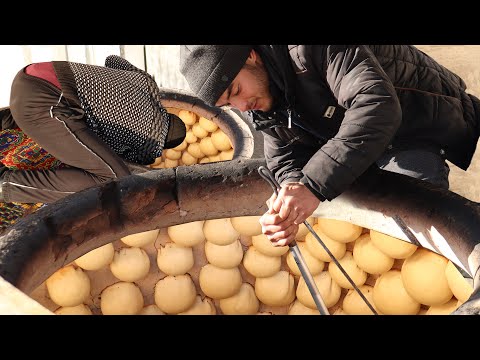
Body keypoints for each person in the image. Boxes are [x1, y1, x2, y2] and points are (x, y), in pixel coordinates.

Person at [179, 45, 480, 247]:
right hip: (354, 131)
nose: (243, 106)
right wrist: (291, 193)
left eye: (236, 90)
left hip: (412, 119)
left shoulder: (314, 49)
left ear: (252, 56)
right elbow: (284, 156)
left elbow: (376, 107)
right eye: (229, 104)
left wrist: (311, 187)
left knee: (421, 219)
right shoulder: (262, 95)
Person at [0, 55, 186, 204]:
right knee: (116, 180)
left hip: (32, 76)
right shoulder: (147, 145)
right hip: (43, 104)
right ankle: (6, 184)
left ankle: (5, 123)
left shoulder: (147, 84)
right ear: (161, 146)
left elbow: (113, 59)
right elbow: (119, 164)